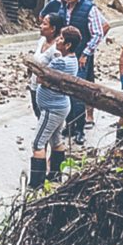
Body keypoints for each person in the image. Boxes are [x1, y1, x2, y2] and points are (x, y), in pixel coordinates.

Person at [40, 0, 105, 144]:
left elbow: (98, 32)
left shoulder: (89, 8)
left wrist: (85, 53)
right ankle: (68, 125)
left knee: (77, 92)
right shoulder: (62, 7)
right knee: (64, 90)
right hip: (63, 55)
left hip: (80, 58)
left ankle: (80, 128)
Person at [29, 26, 83, 187]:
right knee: (56, 140)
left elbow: (40, 74)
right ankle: (54, 177)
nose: (57, 40)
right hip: (60, 106)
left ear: (67, 45)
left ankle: (36, 185)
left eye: (60, 38)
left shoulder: (60, 62)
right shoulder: (71, 59)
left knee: (38, 143)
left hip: (52, 108)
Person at [29, 12, 66, 116]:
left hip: (46, 91)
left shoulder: (56, 49)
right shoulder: (41, 41)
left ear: (53, 28)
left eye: (44, 24)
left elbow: (57, 71)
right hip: (34, 86)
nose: (41, 26)